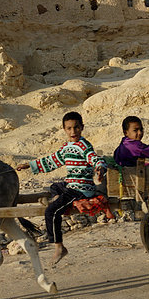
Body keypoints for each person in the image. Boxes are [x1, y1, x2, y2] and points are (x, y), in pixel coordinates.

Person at [16, 111, 112, 265]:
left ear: (82, 127)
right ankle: (60, 200)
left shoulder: (83, 145)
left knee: (51, 211)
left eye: (76, 128)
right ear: (64, 129)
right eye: (69, 128)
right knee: (55, 186)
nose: (73, 132)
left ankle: (59, 246)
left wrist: (100, 168)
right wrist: (29, 165)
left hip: (80, 189)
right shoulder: (67, 146)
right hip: (70, 185)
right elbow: (52, 161)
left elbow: (94, 158)